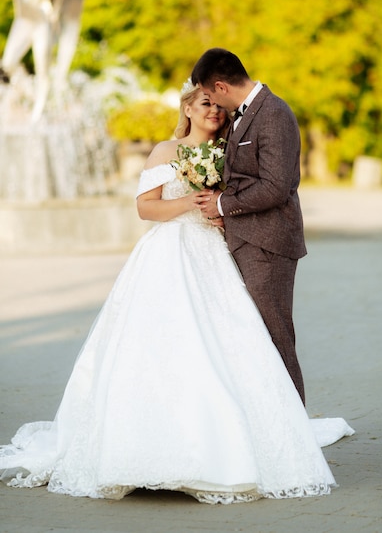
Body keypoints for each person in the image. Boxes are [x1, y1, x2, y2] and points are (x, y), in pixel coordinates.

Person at [0, 81, 353, 504]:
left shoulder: (230, 152)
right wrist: (191, 202)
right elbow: (146, 207)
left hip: (214, 255)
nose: (215, 112)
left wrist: (222, 212)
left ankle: (229, 444)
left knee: (229, 340)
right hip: (168, 255)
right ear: (188, 107)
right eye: (206, 104)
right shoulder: (166, 152)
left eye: (219, 106)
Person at [191, 48, 307, 404]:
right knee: (257, 339)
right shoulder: (245, 116)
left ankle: (295, 433)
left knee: (275, 337)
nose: (213, 106)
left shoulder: (273, 113)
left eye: (211, 96)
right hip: (248, 241)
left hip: (268, 244)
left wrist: (222, 203)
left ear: (221, 86)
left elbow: (276, 186)